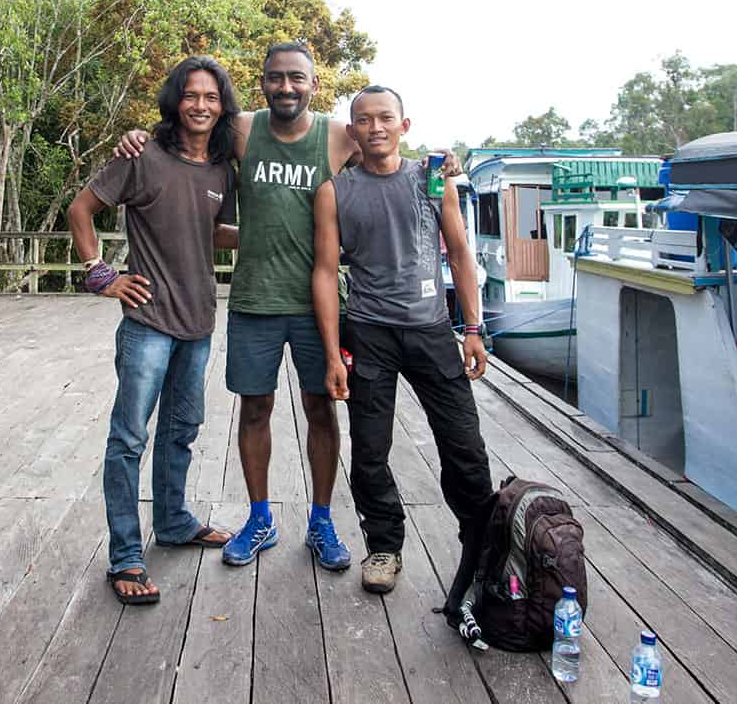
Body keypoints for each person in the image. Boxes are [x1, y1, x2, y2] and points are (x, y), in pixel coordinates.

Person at [117, 43, 460, 572]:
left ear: (314, 85)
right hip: (254, 299)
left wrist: (445, 161)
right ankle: (260, 518)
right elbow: (186, 129)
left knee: (320, 408)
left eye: (297, 78)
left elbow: (388, 150)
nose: (286, 87)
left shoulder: (339, 135)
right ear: (263, 83)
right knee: (255, 409)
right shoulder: (242, 130)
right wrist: (138, 136)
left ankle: (321, 520)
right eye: (276, 77)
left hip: (317, 305)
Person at [67, 56, 240, 605]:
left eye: (211, 97)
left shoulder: (222, 168)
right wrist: (101, 275)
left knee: (181, 430)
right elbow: (81, 209)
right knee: (128, 439)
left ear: (222, 106)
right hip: (147, 322)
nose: (200, 105)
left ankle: (173, 522)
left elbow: (213, 231)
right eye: (191, 95)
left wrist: (275, 228)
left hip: (198, 321)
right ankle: (125, 556)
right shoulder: (141, 154)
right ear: (175, 100)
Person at [312, 85, 492, 594]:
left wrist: (472, 329)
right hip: (369, 330)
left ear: (404, 125)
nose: (375, 128)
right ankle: (384, 545)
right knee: (370, 450)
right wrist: (333, 355)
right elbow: (324, 271)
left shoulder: (432, 178)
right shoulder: (335, 191)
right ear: (352, 131)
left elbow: (460, 254)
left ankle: (483, 548)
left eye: (385, 118)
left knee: (464, 445)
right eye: (364, 120)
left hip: (431, 330)